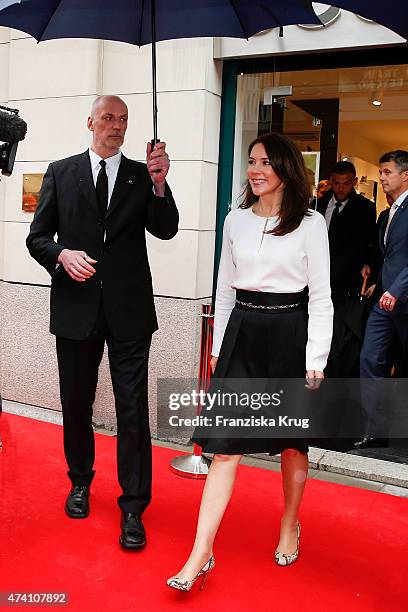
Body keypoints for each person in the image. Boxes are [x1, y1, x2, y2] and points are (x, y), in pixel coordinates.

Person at [166, 133, 333, 591]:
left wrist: (315, 358)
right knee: (224, 446)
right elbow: (223, 286)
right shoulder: (235, 220)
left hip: (290, 335)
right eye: (251, 161)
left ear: (285, 169)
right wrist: (220, 344)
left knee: (293, 443)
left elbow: (321, 296)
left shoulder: (311, 223)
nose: (254, 170)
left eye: (264, 162)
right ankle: (201, 553)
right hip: (243, 332)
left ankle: (289, 522)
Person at [26, 95, 179, 549]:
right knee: (76, 402)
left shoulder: (141, 174)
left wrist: (159, 184)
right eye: (108, 117)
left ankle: (133, 507)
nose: (117, 125)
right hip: (76, 309)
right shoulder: (60, 171)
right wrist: (61, 255)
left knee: (133, 410)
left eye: (124, 119)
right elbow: (37, 237)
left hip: (129, 312)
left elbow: (167, 228)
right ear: (89, 122)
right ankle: (80, 481)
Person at [356, 150, 408, 449]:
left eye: (387, 172)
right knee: (370, 359)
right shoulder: (387, 213)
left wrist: (396, 289)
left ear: (405, 174)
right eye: (381, 171)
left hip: (402, 298)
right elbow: (389, 255)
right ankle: (373, 430)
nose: (381, 177)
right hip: (383, 302)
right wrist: (374, 275)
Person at [316, 161, 376, 376]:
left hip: (348, 283)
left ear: (354, 182)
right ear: (330, 181)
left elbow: (370, 242)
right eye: (337, 183)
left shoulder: (365, 208)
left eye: (346, 183)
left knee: (342, 337)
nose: (341, 188)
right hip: (319, 279)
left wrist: (368, 267)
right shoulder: (318, 205)